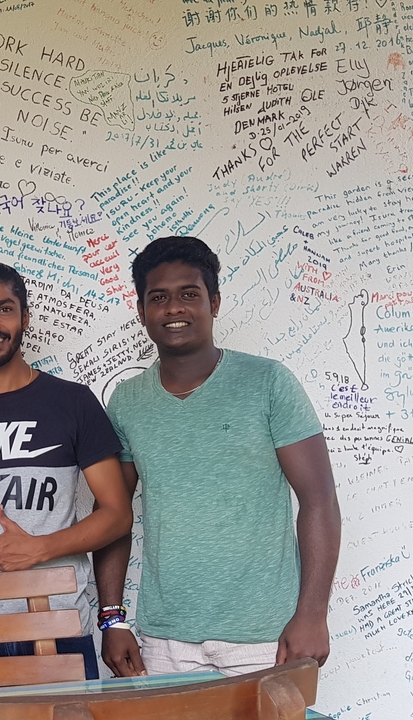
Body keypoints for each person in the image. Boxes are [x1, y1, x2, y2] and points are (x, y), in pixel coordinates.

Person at [95, 236, 341, 678]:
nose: (174, 309)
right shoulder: (127, 403)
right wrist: (112, 618)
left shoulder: (267, 383)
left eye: (189, 295)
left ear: (215, 302)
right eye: (159, 298)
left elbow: (319, 500)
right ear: (141, 311)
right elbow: (114, 515)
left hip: (266, 636)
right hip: (164, 639)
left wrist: (312, 614)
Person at [0, 262, 133, 679]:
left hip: (57, 629)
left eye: (4, 308)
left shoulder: (72, 403)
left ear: (25, 318)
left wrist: (41, 548)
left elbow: (117, 513)